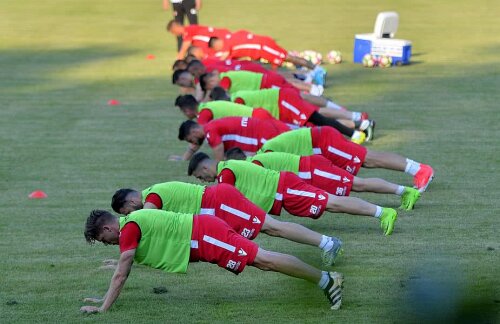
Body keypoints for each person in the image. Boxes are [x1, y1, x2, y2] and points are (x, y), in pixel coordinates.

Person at [80, 209, 344, 313]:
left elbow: (121, 275)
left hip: (207, 235)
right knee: (263, 261)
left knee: (264, 260)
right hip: (206, 233)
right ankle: (324, 279)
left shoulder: (129, 230)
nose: (109, 245)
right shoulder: (130, 225)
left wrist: (103, 308)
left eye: (105, 241)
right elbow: (126, 264)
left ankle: (326, 279)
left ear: (107, 230)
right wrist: (103, 298)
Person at [110, 181, 343, 265]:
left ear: (131, 200)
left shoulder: (152, 198)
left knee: (273, 227)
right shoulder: (152, 193)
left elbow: (143, 225)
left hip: (221, 203)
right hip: (216, 210)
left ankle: (327, 243)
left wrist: (126, 253)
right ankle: (325, 245)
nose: (129, 215)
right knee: (268, 236)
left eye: (127, 211)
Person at [188, 153, 398, 236]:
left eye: (199, 176)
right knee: (332, 203)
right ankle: (381, 212)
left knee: (333, 203)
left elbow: (229, 203)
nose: (202, 181)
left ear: (206, 169)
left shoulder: (226, 174)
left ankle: (383, 212)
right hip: (284, 191)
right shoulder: (228, 167)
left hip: (285, 188)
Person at [225, 148, 421, 210]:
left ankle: (405, 191)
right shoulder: (255, 161)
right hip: (309, 174)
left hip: (313, 170)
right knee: (349, 191)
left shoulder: (255, 164)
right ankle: (398, 196)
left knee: (358, 184)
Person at [258, 127, 434, 192]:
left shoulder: (265, 157)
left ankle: (420, 170)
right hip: (319, 143)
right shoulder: (263, 154)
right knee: (366, 161)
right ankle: (417, 170)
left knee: (369, 159)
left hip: (322, 142)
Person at [230, 88, 374, 141]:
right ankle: (361, 126)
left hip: (284, 100)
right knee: (316, 121)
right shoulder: (235, 98)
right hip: (282, 104)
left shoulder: (236, 101)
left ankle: (356, 132)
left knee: (318, 120)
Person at [208, 30, 326, 85]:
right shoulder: (233, 37)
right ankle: (307, 77)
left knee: (288, 58)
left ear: (217, 43)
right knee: (274, 71)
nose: (219, 50)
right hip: (262, 46)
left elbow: (223, 58)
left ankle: (317, 70)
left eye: (216, 48)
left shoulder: (227, 43)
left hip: (263, 47)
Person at [175, 117, 290, 161]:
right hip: (263, 127)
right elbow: (196, 144)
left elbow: (218, 150)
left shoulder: (210, 131)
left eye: (190, 140)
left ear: (194, 132)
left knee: (288, 156)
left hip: (262, 136)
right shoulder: (209, 126)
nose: (192, 143)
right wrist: (184, 158)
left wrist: (218, 171)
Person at [175, 94, 275, 125]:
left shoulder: (203, 114)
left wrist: (184, 157)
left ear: (187, 110)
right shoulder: (207, 106)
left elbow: (198, 138)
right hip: (259, 114)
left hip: (256, 120)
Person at [166, 21, 231, 60]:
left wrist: (178, 61)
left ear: (176, 27)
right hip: (219, 44)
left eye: (173, 32)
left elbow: (184, 49)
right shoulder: (190, 31)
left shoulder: (188, 31)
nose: (174, 34)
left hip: (222, 42)